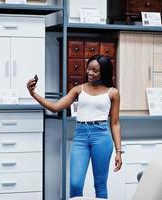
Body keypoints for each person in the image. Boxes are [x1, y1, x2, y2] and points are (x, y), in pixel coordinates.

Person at [27, 54, 123, 199]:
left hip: (102, 136)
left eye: (95, 70)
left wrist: (119, 151)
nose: (90, 73)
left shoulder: (113, 93)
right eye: (89, 69)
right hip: (81, 137)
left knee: (100, 185)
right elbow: (55, 107)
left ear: (104, 71)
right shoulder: (79, 89)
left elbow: (115, 123)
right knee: (75, 184)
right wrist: (34, 94)